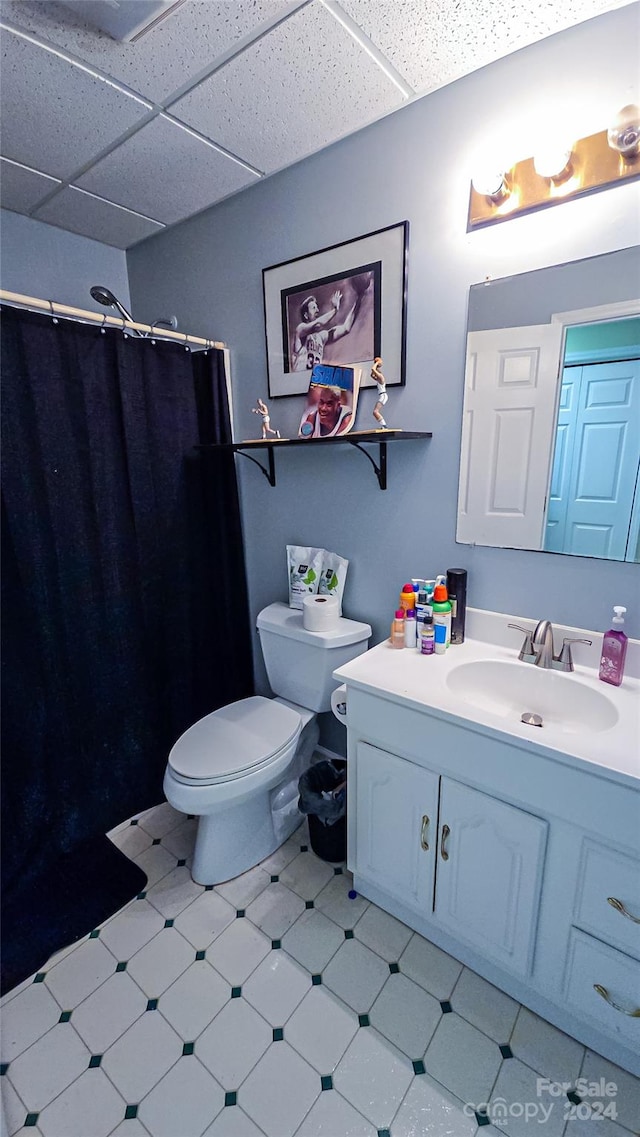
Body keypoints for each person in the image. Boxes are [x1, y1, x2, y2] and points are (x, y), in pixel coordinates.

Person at [291, 275, 371, 372]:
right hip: (299, 380)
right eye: (313, 308)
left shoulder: (321, 337)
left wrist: (359, 298)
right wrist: (334, 310)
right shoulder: (300, 329)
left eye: (317, 307)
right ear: (306, 315)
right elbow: (318, 324)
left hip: (313, 383)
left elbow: (346, 328)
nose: (317, 310)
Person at [370, 356, 389, 427]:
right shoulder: (378, 379)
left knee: (375, 411)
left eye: (375, 374)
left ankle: (384, 426)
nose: (374, 375)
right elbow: (371, 375)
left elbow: (372, 369)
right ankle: (383, 425)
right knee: (375, 412)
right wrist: (376, 366)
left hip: (383, 396)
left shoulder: (381, 377)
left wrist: (377, 363)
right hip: (382, 396)